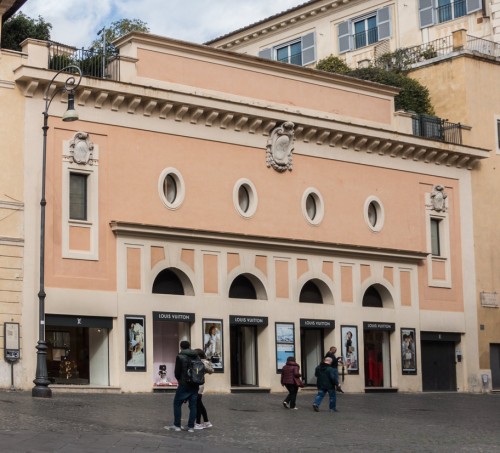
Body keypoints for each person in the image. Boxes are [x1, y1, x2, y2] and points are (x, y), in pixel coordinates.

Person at [164, 340, 201, 433]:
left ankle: (177, 425)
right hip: (195, 383)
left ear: (181, 347)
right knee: (193, 406)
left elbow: (177, 372)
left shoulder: (180, 356)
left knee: (177, 404)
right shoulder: (196, 356)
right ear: (189, 346)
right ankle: (191, 427)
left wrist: (180, 381)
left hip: (184, 384)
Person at [193, 348, 214, 430]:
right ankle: (206, 421)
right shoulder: (201, 361)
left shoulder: (202, 362)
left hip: (199, 385)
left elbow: (211, 371)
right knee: (200, 404)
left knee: (197, 404)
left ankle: (198, 423)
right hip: (200, 385)